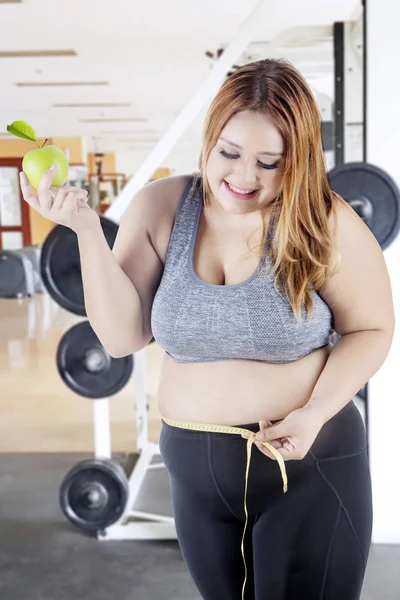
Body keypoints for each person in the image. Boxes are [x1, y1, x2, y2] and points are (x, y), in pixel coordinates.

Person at [20, 58, 394, 600]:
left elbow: (373, 329)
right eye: (230, 153)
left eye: (270, 162)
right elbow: (123, 337)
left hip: (308, 466)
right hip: (197, 480)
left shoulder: (323, 220)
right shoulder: (163, 208)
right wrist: (82, 227)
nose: (244, 178)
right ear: (209, 139)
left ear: (300, 161)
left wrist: (314, 414)